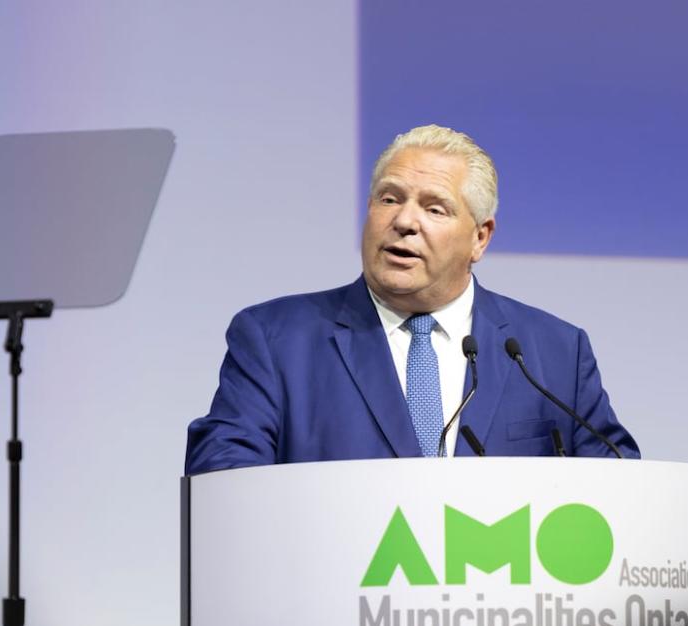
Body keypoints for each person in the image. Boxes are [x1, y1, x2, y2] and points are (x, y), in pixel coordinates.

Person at [185, 124, 638, 473]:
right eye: (389, 199)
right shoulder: (276, 339)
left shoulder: (552, 352)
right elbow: (223, 475)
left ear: (480, 238)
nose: (404, 221)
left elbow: (623, 486)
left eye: (434, 208)